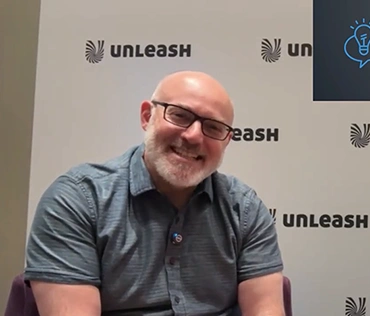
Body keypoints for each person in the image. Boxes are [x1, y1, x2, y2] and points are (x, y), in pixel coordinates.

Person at [24, 71, 285, 316]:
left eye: (213, 127)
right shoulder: (77, 200)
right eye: (180, 115)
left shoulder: (245, 209)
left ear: (226, 141)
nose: (194, 136)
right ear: (147, 116)